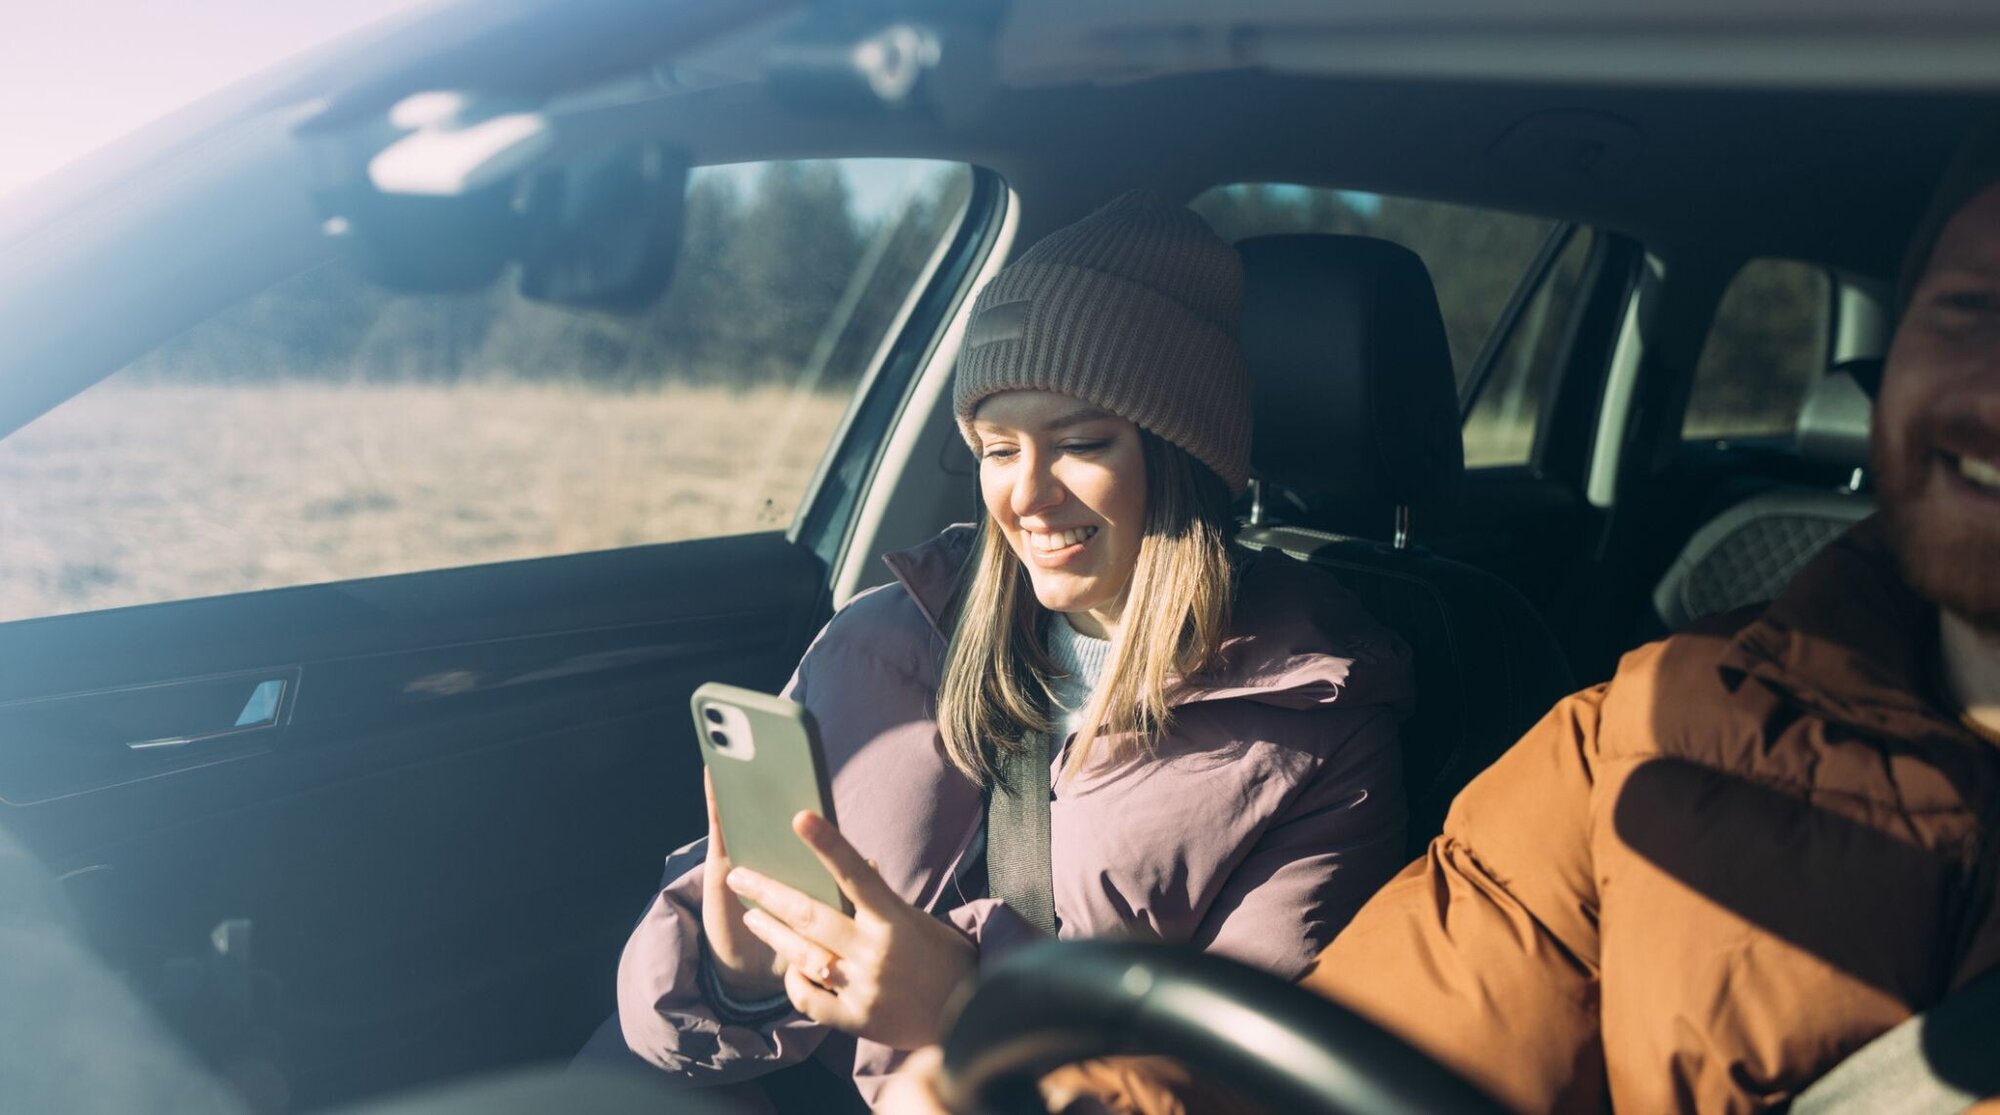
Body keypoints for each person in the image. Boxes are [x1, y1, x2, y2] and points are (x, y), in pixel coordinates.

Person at [883, 132, 2000, 1115]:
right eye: (1970, 308)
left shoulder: (1330, 712)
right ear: (1899, 346)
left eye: (1078, 438)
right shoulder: (1641, 738)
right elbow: (1326, 1061)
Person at [612, 192, 1412, 1106]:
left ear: (1181, 454)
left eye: (1079, 443)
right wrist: (737, 973)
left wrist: (965, 1006)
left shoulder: (1315, 730)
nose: (1028, 494)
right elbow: (679, 1018)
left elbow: (1249, 1086)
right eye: (998, 448)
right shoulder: (879, 638)